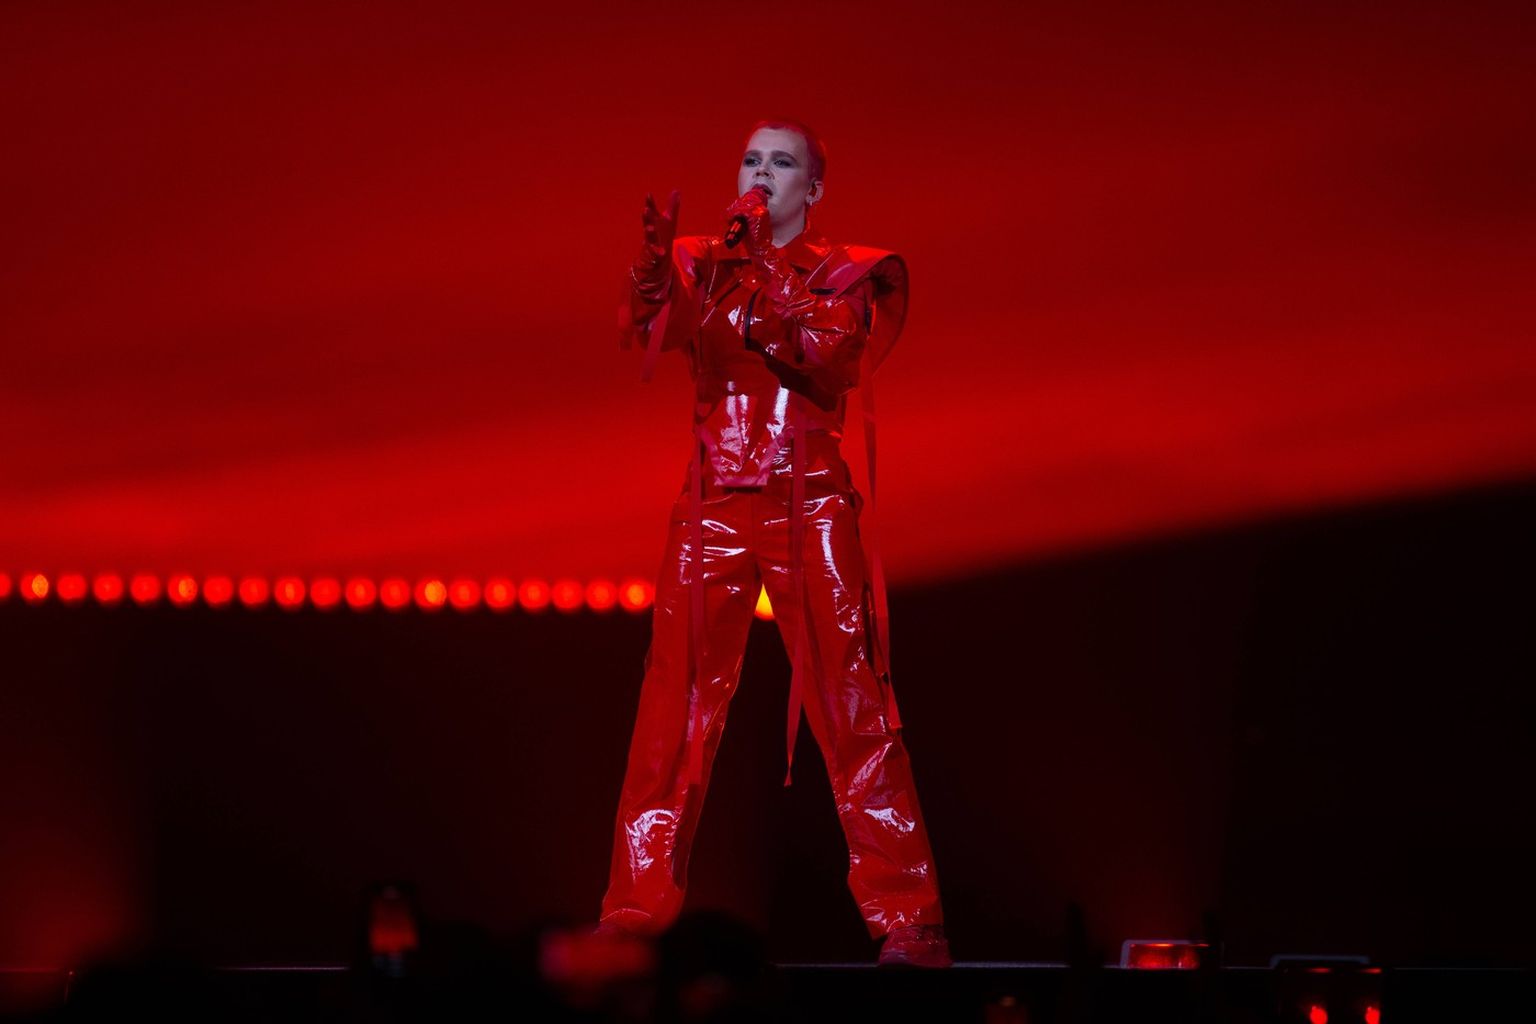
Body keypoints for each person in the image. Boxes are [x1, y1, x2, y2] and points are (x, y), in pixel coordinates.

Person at [599, 119, 950, 968]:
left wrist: (764, 269)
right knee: (672, 708)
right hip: (711, 502)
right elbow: (653, 327)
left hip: (810, 503)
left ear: (813, 189)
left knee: (852, 706)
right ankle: (633, 916)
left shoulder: (850, 272)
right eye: (751, 160)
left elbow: (828, 354)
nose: (761, 173)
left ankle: (908, 919)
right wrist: (652, 267)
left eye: (781, 162)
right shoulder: (703, 261)